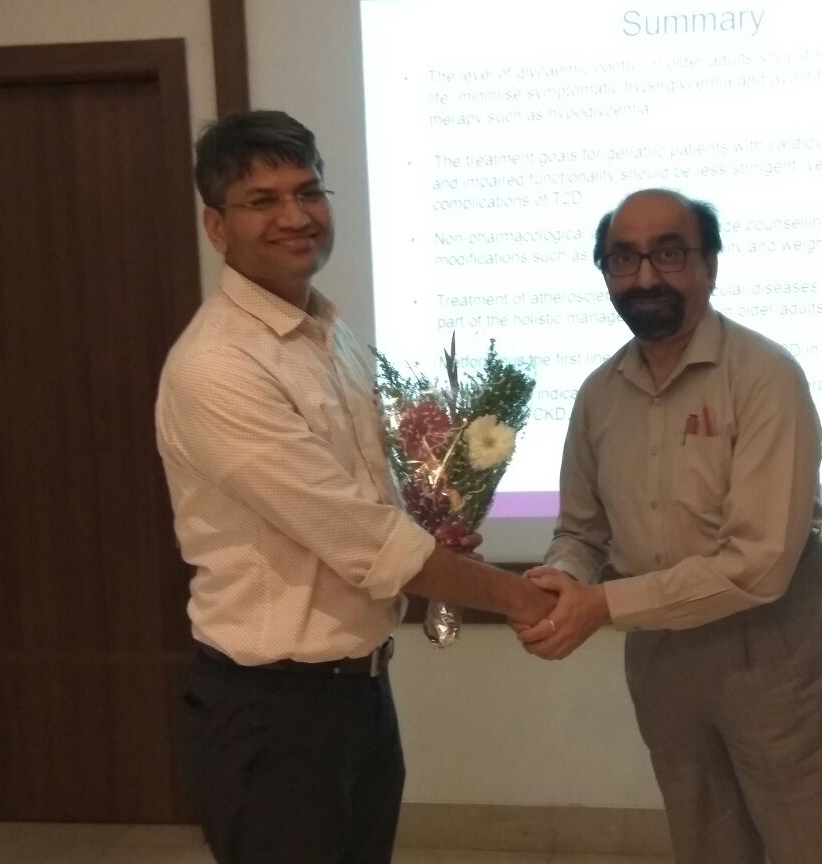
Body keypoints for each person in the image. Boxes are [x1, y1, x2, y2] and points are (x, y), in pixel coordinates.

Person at [155, 110, 554, 864]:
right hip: (273, 713)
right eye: (263, 200)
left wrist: (439, 518)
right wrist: (523, 600)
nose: (295, 216)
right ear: (216, 227)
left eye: (308, 192)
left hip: (358, 694)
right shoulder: (219, 366)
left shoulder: (328, 335)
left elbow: (376, 505)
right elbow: (365, 540)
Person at [515, 189, 822, 863]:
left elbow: (761, 564)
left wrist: (602, 604)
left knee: (815, 842)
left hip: (773, 648)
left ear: (709, 265)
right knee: (706, 841)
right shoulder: (598, 394)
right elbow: (582, 532)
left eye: (669, 254)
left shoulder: (765, 377)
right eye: (623, 258)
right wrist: (559, 581)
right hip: (662, 656)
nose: (645, 276)